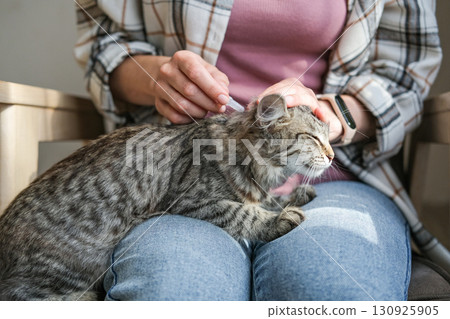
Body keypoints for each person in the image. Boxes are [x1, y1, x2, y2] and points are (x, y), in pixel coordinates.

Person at [74, 0, 445, 300]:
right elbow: (102, 46)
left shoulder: (325, 148)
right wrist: (155, 77)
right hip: (182, 179)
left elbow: (406, 76)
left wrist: (333, 115)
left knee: (332, 291)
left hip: (340, 179)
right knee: (170, 291)